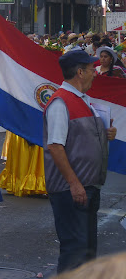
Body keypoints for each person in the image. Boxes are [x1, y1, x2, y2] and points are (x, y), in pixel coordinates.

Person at [43, 48, 117, 273]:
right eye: (91, 69)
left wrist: (105, 134)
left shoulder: (81, 100)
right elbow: (55, 146)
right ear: (80, 72)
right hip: (72, 190)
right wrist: (74, 184)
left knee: (85, 251)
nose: (95, 73)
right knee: (75, 251)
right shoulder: (60, 102)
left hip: (85, 187)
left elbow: (77, 138)